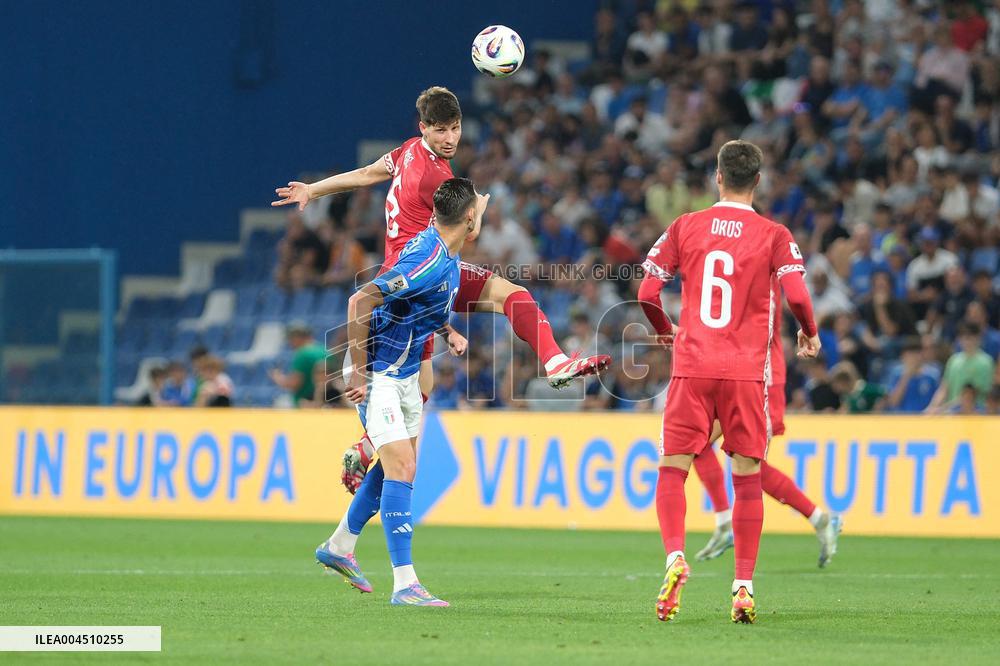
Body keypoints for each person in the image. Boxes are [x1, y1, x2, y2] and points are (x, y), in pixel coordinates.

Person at [272, 87, 609, 488]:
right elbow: (465, 233)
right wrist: (479, 211)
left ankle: (365, 450)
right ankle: (554, 362)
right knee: (513, 296)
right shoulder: (437, 176)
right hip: (425, 273)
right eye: (440, 131)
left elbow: (364, 175)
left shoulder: (406, 152)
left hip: (401, 278)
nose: (449, 138)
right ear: (424, 127)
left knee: (424, 381)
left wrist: (314, 189)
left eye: (455, 128)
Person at [638, 140, 820, 624]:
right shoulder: (774, 234)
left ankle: (675, 556)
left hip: (692, 365)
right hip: (744, 373)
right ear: (757, 181)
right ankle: (742, 587)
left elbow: (647, 289)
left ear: (717, 176)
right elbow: (798, 294)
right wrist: (809, 331)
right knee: (748, 479)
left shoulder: (686, 226)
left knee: (673, 467)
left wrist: (664, 332)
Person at [314, 177, 485, 607]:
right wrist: (357, 372)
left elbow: (413, 303)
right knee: (403, 467)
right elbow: (360, 301)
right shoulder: (426, 259)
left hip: (406, 375)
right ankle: (405, 583)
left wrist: (447, 331)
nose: (481, 213)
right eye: (479, 209)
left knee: (396, 470)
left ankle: (338, 546)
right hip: (381, 376)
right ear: (468, 218)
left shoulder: (444, 253)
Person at [691, 283, 841, 568]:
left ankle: (820, 519)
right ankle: (724, 522)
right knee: (696, 444)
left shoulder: (763, 269)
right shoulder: (745, 264)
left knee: (749, 466)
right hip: (735, 376)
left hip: (764, 381)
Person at [927, 322, 996, 412]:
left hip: (976, 411)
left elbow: (970, 395)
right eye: (963, 337)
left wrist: (943, 408)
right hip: (952, 411)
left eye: (970, 337)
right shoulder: (954, 360)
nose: (966, 341)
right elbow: (944, 388)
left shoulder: (985, 362)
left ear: (978, 338)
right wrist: (931, 407)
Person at [269, 321, 326, 407]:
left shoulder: (303, 353)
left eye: (290, 338)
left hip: (306, 405)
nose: (289, 342)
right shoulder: (324, 350)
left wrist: (278, 378)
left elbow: (295, 383)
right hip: (326, 403)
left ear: (297, 337)